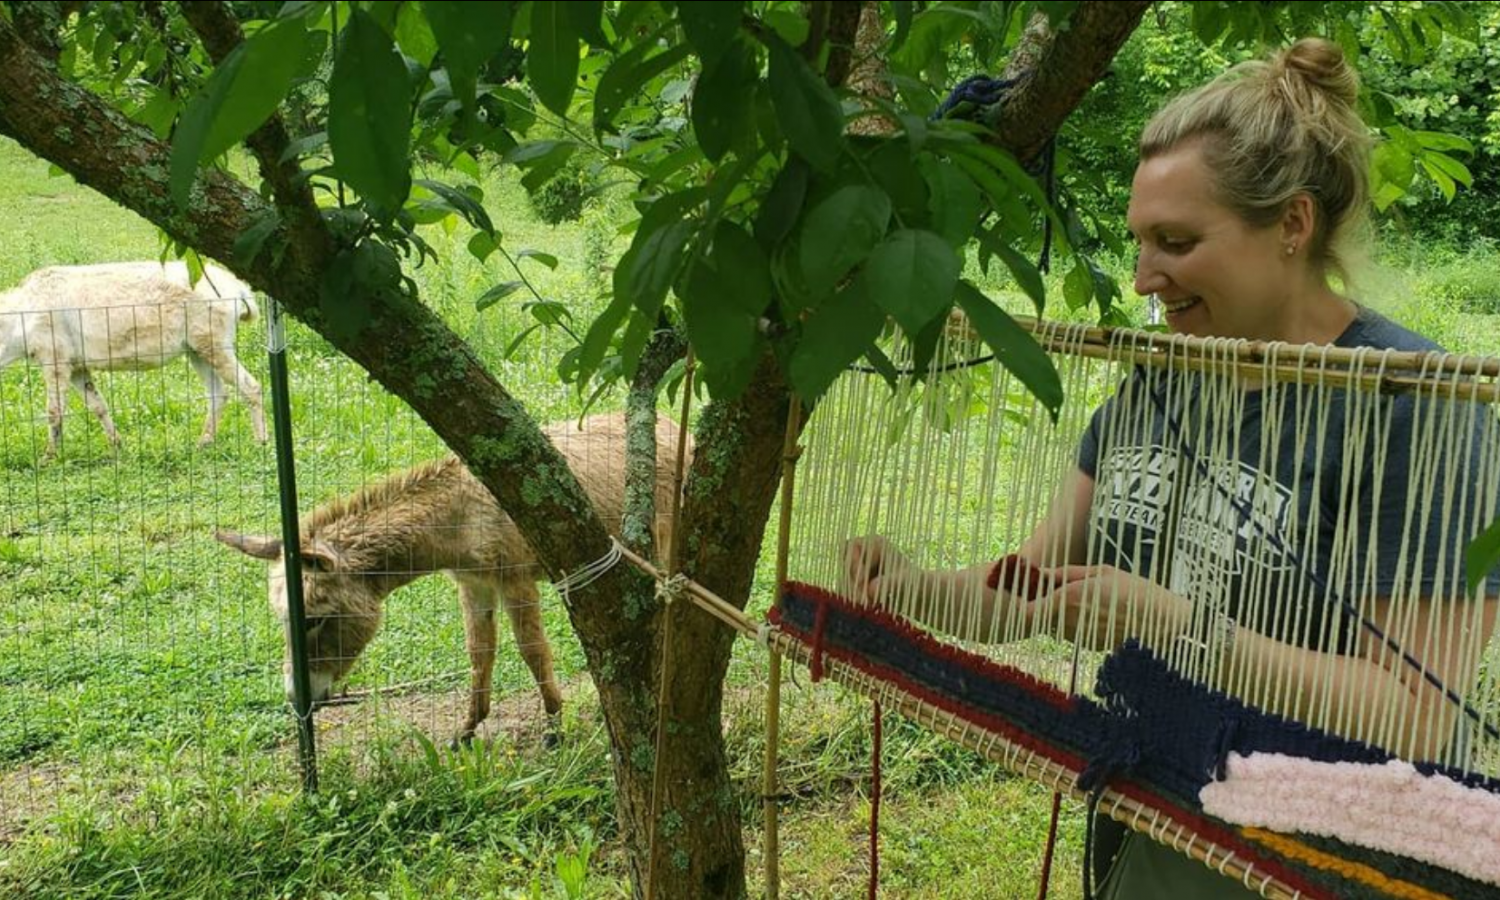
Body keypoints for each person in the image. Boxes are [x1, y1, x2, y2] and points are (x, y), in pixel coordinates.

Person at [844, 38, 1499, 898]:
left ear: (1292, 227)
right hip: (1153, 806)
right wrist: (915, 588)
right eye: (1139, 243)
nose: (1145, 278)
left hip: (1315, 855)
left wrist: (1172, 621)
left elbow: (1416, 709)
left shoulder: (1416, 406)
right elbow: (1032, 581)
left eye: (1177, 242)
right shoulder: (1165, 378)